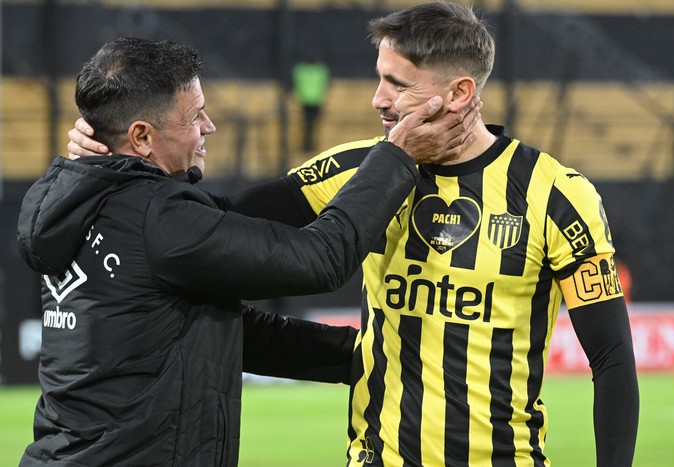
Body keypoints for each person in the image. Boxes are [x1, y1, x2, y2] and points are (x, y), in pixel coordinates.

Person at [67, 4, 639, 465]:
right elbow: (215, 222)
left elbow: (611, 357)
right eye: (378, 79)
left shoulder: (558, 194)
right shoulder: (355, 170)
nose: (378, 99)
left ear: (460, 93)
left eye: (397, 83)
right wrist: (111, 158)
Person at [18, 36, 478, 466]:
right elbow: (319, 259)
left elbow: (227, 335)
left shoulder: (80, 198)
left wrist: (380, 357)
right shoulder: (155, 216)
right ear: (141, 137)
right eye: (194, 115)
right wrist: (398, 157)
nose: (209, 127)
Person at [292, 50, 331, 152]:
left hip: (308, 100)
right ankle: (309, 145)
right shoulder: (320, 70)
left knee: (309, 125)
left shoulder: (300, 69)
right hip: (312, 101)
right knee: (310, 125)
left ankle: (308, 145)